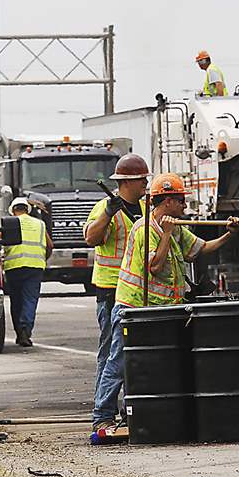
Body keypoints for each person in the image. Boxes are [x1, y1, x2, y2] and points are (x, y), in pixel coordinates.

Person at [91, 173, 239, 432]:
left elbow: (201, 248)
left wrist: (229, 234)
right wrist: (166, 234)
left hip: (157, 309)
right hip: (133, 308)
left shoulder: (177, 228)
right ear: (168, 201)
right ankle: (102, 415)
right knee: (118, 363)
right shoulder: (145, 229)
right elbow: (155, 267)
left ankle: (135, 413)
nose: (184, 205)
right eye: (181, 200)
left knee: (148, 363)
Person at [83, 153, 150, 392]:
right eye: (141, 179)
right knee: (111, 348)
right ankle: (105, 405)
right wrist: (108, 214)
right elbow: (91, 238)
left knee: (136, 350)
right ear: (126, 182)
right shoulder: (104, 207)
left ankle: (131, 401)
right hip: (111, 289)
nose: (145, 183)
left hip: (139, 289)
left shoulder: (146, 207)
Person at [1, 197, 53, 347]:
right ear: (27, 209)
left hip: (13, 267)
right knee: (30, 300)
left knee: (16, 301)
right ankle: (26, 330)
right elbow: (50, 246)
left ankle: (19, 332)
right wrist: (43, 259)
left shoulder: (10, 223)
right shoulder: (40, 224)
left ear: (13, 210)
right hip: (35, 267)